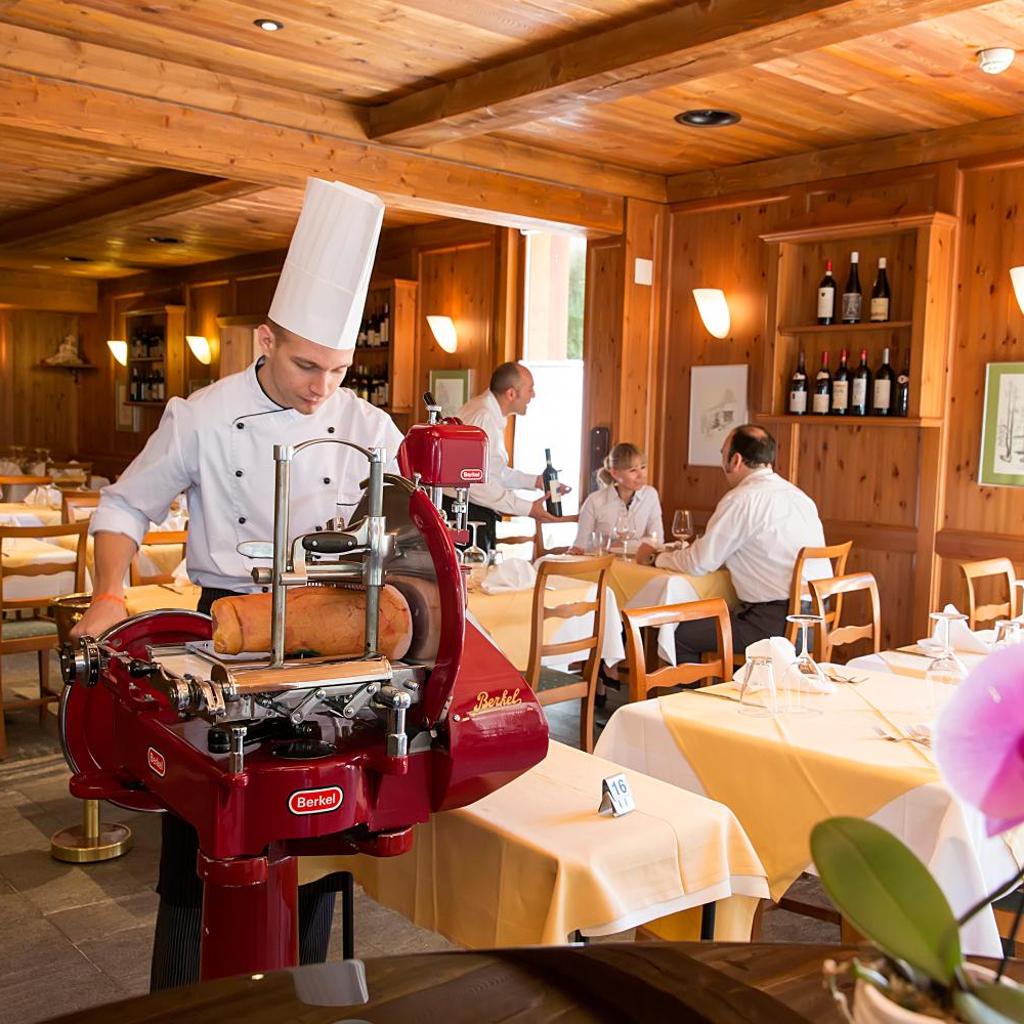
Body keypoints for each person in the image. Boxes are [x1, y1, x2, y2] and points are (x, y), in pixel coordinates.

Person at [70, 178, 404, 990]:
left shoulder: (369, 428)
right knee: (207, 830)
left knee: (316, 828)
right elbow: (123, 506)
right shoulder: (203, 416)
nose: (322, 387)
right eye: (305, 364)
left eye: (338, 369)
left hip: (331, 635)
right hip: (225, 629)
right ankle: (184, 1000)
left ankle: (306, 996)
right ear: (265, 339)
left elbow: (404, 532)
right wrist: (110, 594)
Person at [635, 425, 829, 662]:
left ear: (735, 460)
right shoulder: (799, 496)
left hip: (776, 626)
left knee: (677, 635)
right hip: (817, 621)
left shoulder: (741, 500)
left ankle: (715, 689)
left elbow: (698, 562)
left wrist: (656, 557)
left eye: (722, 453)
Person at [448, 362, 570, 551]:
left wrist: (536, 481)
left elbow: (493, 472)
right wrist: (527, 508)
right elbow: (473, 481)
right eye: (530, 389)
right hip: (466, 515)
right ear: (511, 393)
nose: (533, 395)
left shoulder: (487, 412)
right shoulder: (483, 417)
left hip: (473, 510)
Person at [568, 442, 662, 555]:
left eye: (643, 467)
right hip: (601, 561)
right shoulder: (594, 501)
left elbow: (657, 540)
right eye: (633, 470)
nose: (641, 475)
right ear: (614, 473)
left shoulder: (650, 495)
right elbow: (580, 546)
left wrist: (622, 545)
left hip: (636, 562)